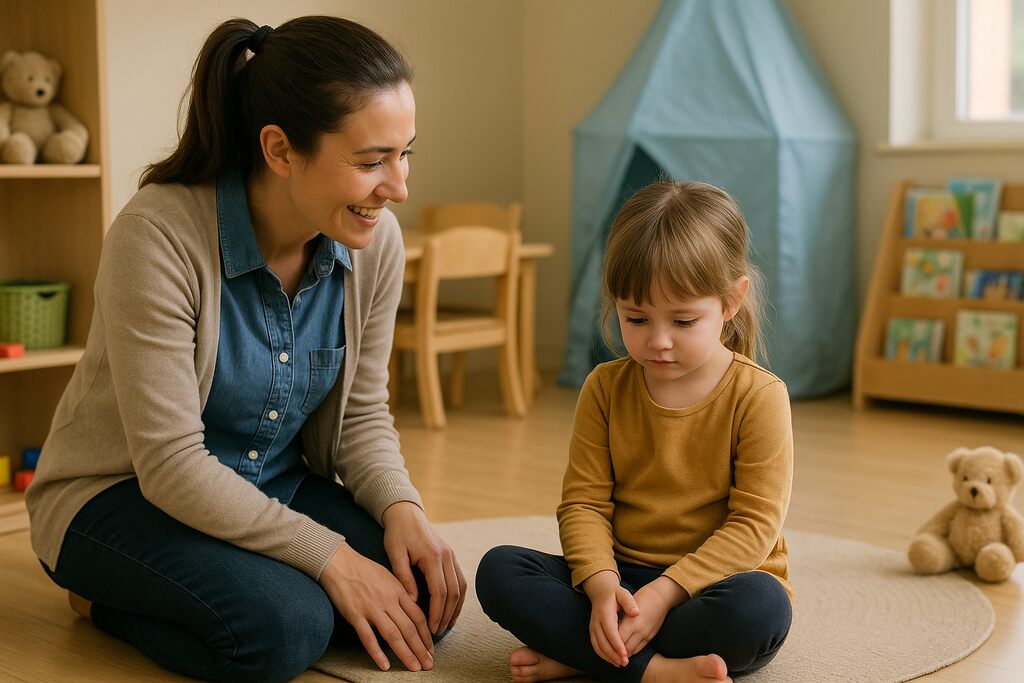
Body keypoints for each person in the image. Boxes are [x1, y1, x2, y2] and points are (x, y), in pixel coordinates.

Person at [26, 16, 466, 682]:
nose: (398, 186)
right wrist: (330, 558)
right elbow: (171, 464)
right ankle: (100, 598)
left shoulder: (376, 243)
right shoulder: (157, 238)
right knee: (286, 626)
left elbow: (360, 417)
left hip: (269, 481)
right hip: (120, 497)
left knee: (425, 594)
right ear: (281, 149)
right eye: (372, 161)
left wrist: (403, 510)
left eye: (405, 154)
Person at [476, 181, 794, 683]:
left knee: (761, 609)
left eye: (684, 321)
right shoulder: (603, 388)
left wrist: (665, 594)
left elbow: (754, 527)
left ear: (732, 302)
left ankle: (584, 655)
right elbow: (583, 505)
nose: (658, 341)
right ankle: (655, 671)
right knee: (499, 571)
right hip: (620, 579)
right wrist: (602, 587)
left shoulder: (759, 396)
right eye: (637, 318)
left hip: (708, 587)